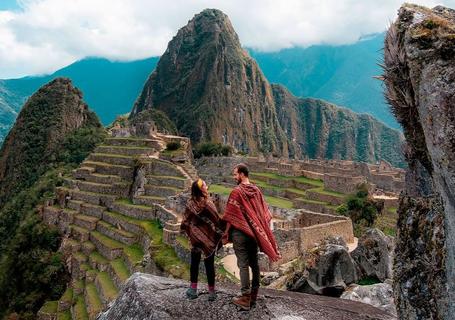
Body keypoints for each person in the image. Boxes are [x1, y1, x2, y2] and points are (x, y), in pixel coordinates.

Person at [222, 163, 281, 310]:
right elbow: (265, 214)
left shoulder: (236, 192)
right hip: (253, 234)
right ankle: (254, 295)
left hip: (240, 234)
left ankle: (245, 297)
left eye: (235, 174)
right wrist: (256, 226)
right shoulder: (257, 191)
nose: (234, 177)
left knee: (242, 264)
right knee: (254, 263)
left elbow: (229, 215)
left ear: (242, 174)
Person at [180, 178, 224, 301]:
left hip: (194, 238)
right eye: (205, 185)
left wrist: (191, 231)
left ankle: (193, 289)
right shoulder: (208, 204)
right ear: (201, 189)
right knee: (209, 265)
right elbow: (217, 220)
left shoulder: (190, 203)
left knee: (194, 263)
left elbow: (186, 221)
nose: (206, 186)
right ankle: (211, 292)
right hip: (208, 239)